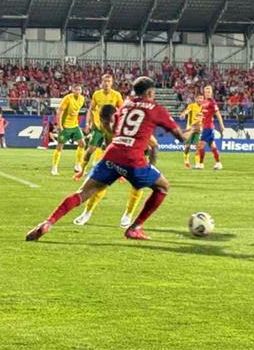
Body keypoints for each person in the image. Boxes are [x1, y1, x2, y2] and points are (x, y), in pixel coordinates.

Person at [27, 76, 184, 242]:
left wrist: (104, 123)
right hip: (133, 158)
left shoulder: (126, 104)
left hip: (112, 153)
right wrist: (192, 130)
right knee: (162, 187)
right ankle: (134, 227)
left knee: (83, 192)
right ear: (150, 92)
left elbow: (112, 128)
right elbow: (181, 137)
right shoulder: (155, 108)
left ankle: (48, 222)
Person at [78, 73, 124, 173]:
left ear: (112, 83)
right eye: (105, 81)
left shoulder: (116, 95)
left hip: (110, 128)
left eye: (109, 81)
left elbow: (122, 110)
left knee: (111, 150)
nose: (106, 83)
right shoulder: (96, 94)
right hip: (98, 127)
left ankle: (116, 172)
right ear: (101, 82)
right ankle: (82, 169)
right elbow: (91, 109)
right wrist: (87, 124)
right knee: (91, 149)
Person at [51, 85, 87, 175]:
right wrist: (59, 125)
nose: (78, 91)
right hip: (65, 126)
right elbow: (59, 111)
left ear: (81, 91)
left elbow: (76, 112)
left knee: (82, 144)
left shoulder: (82, 99)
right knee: (59, 146)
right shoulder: (67, 98)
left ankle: (78, 165)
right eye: (76, 89)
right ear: (72, 90)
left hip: (75, 126)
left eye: (79, 89)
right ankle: (54, 167)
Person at [194, 84, 225, 170]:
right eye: (206, 92)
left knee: (200, 145)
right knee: (212, 146)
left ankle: (201, 164)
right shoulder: (204, 102)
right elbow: (203, 114)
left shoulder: (212, 102)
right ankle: (218, 163)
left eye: (209, 92)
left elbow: (218, 114)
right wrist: (199, 117)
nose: (207, 93)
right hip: (206, 127)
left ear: (211, 93)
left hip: (208, 127)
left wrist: (221, 125)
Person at [181, 93, 203, 169]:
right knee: (187, 147)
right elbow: (187, 111)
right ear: (196, 99)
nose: (200, 100)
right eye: (199, 98)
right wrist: (184, 114)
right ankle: (186, 161)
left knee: (198, 146)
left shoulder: (204, 107)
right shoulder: (192, 106)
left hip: (198, 129)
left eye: (202, 98)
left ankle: (197, 164)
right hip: (190, 129)